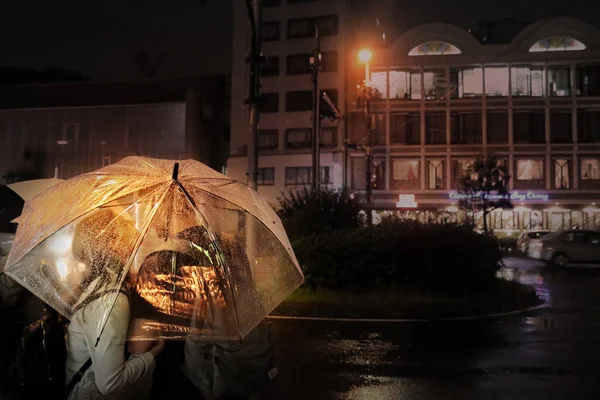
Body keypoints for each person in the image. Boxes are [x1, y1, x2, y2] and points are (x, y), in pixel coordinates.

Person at [65, 208, 165, 400]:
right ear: (111, 243)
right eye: (126, 231)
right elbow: (110, 384)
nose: (137, 239)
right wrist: (153, 354)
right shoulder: (111, 300)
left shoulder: (95, 285)